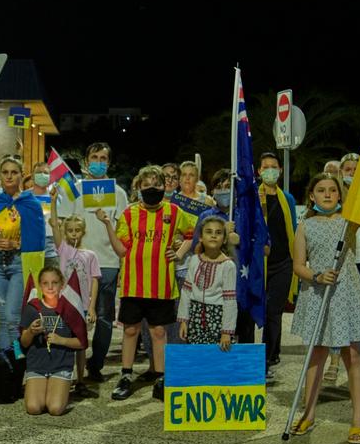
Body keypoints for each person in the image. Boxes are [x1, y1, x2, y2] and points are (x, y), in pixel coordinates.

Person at [97, 164, 197, 401]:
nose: (152, 188)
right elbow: (122, 250)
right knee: (131, 330)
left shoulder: (173, 211)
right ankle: (126, 375)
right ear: (139, 187)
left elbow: (194, 232)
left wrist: (181, 252)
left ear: (164, 186)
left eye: (157, 184)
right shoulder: (130, 214)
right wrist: (108, 225)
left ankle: (161, 378)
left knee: (159, 331)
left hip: (162, 285)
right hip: (133, 284)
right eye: (147, 184)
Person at [288, 174, 360, 444]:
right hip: (318, 294)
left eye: (333, 190)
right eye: (321, 190)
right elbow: (299, 264)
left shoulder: (349, 222)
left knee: (353, 354)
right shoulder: (305, 225)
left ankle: (359, 420)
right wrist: (316, 276)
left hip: (346, 293)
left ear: (340, 195)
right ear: (311, 196)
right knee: (317, 354)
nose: (327, 195)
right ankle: (308, 413)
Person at [55, 142, 129, 382]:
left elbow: (123, 229)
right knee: (75, 313)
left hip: (107, 262)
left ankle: (95, 364)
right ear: (87, 162)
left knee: (104, 316)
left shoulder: (118, 193)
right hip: (77, 262)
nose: (99, 162)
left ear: (109, 162)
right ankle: (73, 361)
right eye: (94, 157)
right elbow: (64, 223)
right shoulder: (74, 190)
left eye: (103, 158)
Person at [0, 156, 47, 354]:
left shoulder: (30, 203)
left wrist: (16, 243)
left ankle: (17, 356)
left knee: (13, 317)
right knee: (2, 317)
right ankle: (5, 361)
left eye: (14, 172)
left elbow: (39, 240)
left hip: (18, 263)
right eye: (5, 172)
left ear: (22, 175)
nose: (9, 176)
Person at [326, 152, 360, 383]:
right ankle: (335, 360)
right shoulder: (337, 198)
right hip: (345, 262)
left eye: (357, 170)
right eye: (348, 170)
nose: (352, 174)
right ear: (341, 172)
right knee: (339, 311)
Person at [19, 266, 86, 415]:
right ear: (40, 285)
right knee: (33, 408)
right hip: (37, 365)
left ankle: (60, 388)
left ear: (61, 284)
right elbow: (23, 343)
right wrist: (30, 331)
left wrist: (61, 340)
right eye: (45, 283)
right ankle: (45, 388)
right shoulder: (32, 308)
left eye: (54, 282)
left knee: (55, 409)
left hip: (61, 365)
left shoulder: (69, 308)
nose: (50, 287)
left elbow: (82, 343)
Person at [258, 151, 298, 382]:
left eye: (274, 166)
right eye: (266, 167)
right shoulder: (253, 197)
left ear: (280, 171)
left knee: (273, 312)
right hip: (258, 265)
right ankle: (250, 355)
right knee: (254, 311)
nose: (270, 170)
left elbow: (293, 228)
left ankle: (269, 357)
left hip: (283, 263)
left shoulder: (288, 199)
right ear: (259, 171)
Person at [51, 214, 100, 396]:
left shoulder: (90, 255)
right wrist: (54, 201)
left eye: (77, 230)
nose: (74, 234)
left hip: (82, 306)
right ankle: (62, 376)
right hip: (64, 305)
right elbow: (55, 226)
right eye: (70, 231)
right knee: (63, 340)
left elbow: (94, 280)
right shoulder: (63, 250)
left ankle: (80, 379)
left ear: (83, 232)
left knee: (81, 343)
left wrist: (92, 306)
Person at [177, 216, 237, 350]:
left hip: (217, 317)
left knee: (216, 359)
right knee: (197, 358)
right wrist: (184, 321)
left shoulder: (228, 265)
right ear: (200, 238)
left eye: (218, 233)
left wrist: (226, 331)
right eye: (209, 232)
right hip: (195, 316)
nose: (213, 236)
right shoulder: (194, 261)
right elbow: (186, 293)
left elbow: (230, 300)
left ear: (225, 239)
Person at [28, 161, 60, 264]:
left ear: (50, 177)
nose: (42, 175)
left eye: (46, 173)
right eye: (38, 172)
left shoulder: (57, 198)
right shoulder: (24, 196)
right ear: (32, 176)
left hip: (51, 252)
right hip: (30, 249)